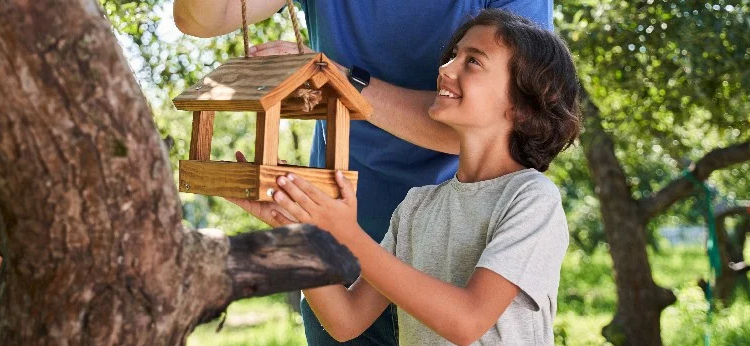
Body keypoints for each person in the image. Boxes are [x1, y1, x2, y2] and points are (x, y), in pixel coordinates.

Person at [174, 1, 555, 344]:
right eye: (452, 54)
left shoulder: (530, 199)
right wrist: (299, 228)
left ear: (522, 105)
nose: (444, 68)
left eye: (472, 61)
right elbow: (345, 321)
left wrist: (349, 236)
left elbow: (467, 322)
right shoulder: (416, 207)